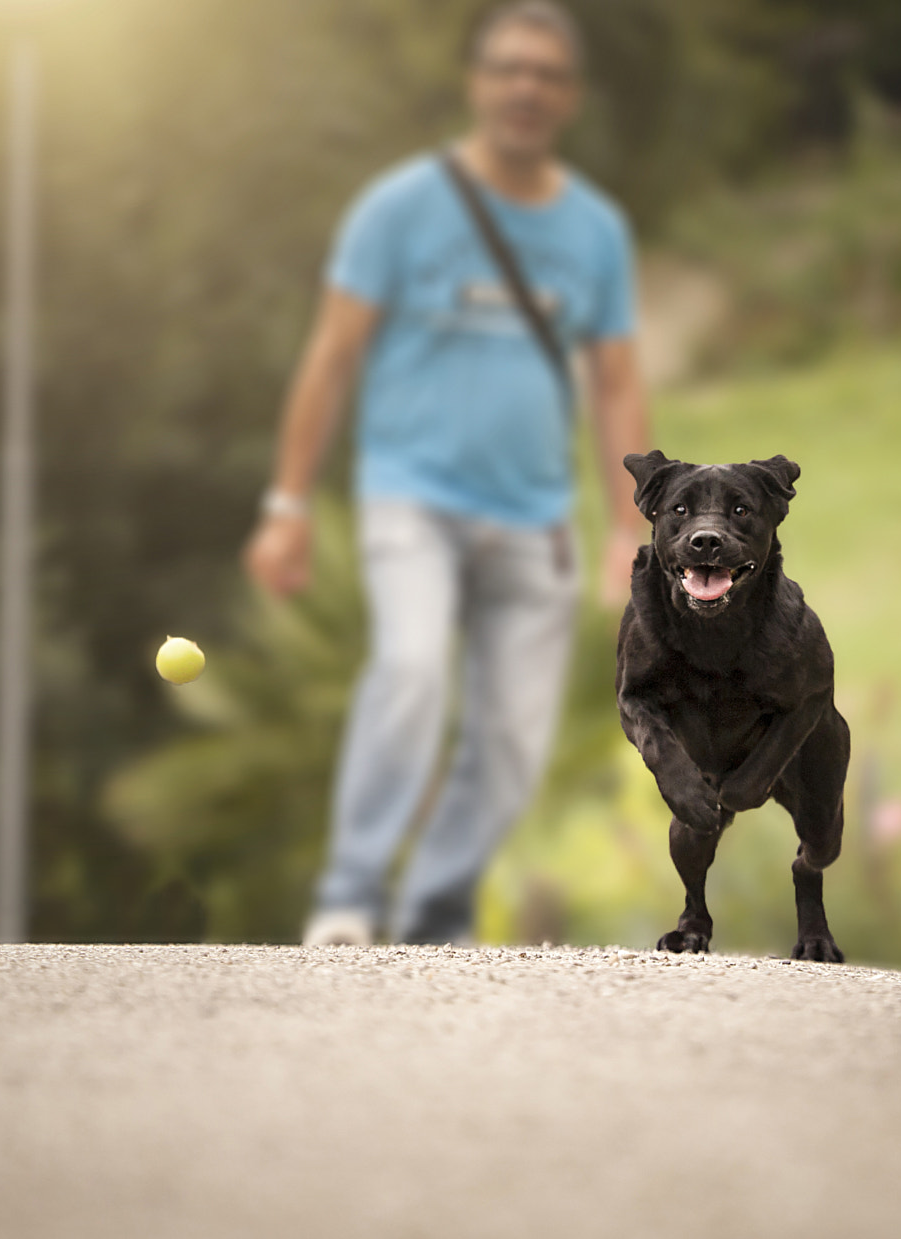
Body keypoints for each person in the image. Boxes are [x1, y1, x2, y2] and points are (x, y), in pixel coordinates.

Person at [243, 1, 652, 947]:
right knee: (413, 668)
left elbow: (619, 383)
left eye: (547, 74)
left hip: (536, 517)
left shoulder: (595, 231)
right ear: (475, 81)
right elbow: (331, 354)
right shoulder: (398, 209)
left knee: (513, 739)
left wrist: (633, 529)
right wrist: (287, 503)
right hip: (412, 500)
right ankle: (348, 895)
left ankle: (435, 908)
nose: (525, 87)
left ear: (572, 97)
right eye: (508, 67)